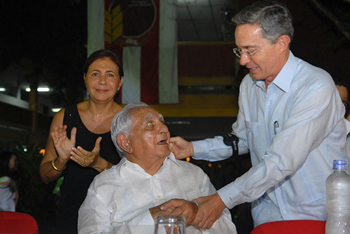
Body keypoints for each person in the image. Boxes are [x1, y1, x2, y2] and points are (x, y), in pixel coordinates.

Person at [166, 0, 349, 228]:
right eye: (239, 51)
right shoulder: (248, 85)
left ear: (281, 43)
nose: (243, 61)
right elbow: (242, 140)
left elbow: (282, 161)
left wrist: (221, 200)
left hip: (316, 216)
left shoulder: (315, 86)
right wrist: (194, 148)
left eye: (250, 51)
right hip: (267, 216)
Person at [78, 102, 237, 234]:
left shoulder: (194, 175)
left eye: (162, 122)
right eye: (150, 124)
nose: (164, 129)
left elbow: (228, 229)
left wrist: (197, 215)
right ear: (126, 143)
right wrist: (150, 219)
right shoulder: (103, 187)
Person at [40, 49, 124, 234]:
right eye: (95, 74)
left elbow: (146, 174)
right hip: (71, 218)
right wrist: (60, 162)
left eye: (110, 75)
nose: (102, 81)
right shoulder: (65, 116)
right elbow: (45, 176)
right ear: (85, 78)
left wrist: (100, 164)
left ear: (120, 82)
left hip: (120, 218)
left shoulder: (130, 119)